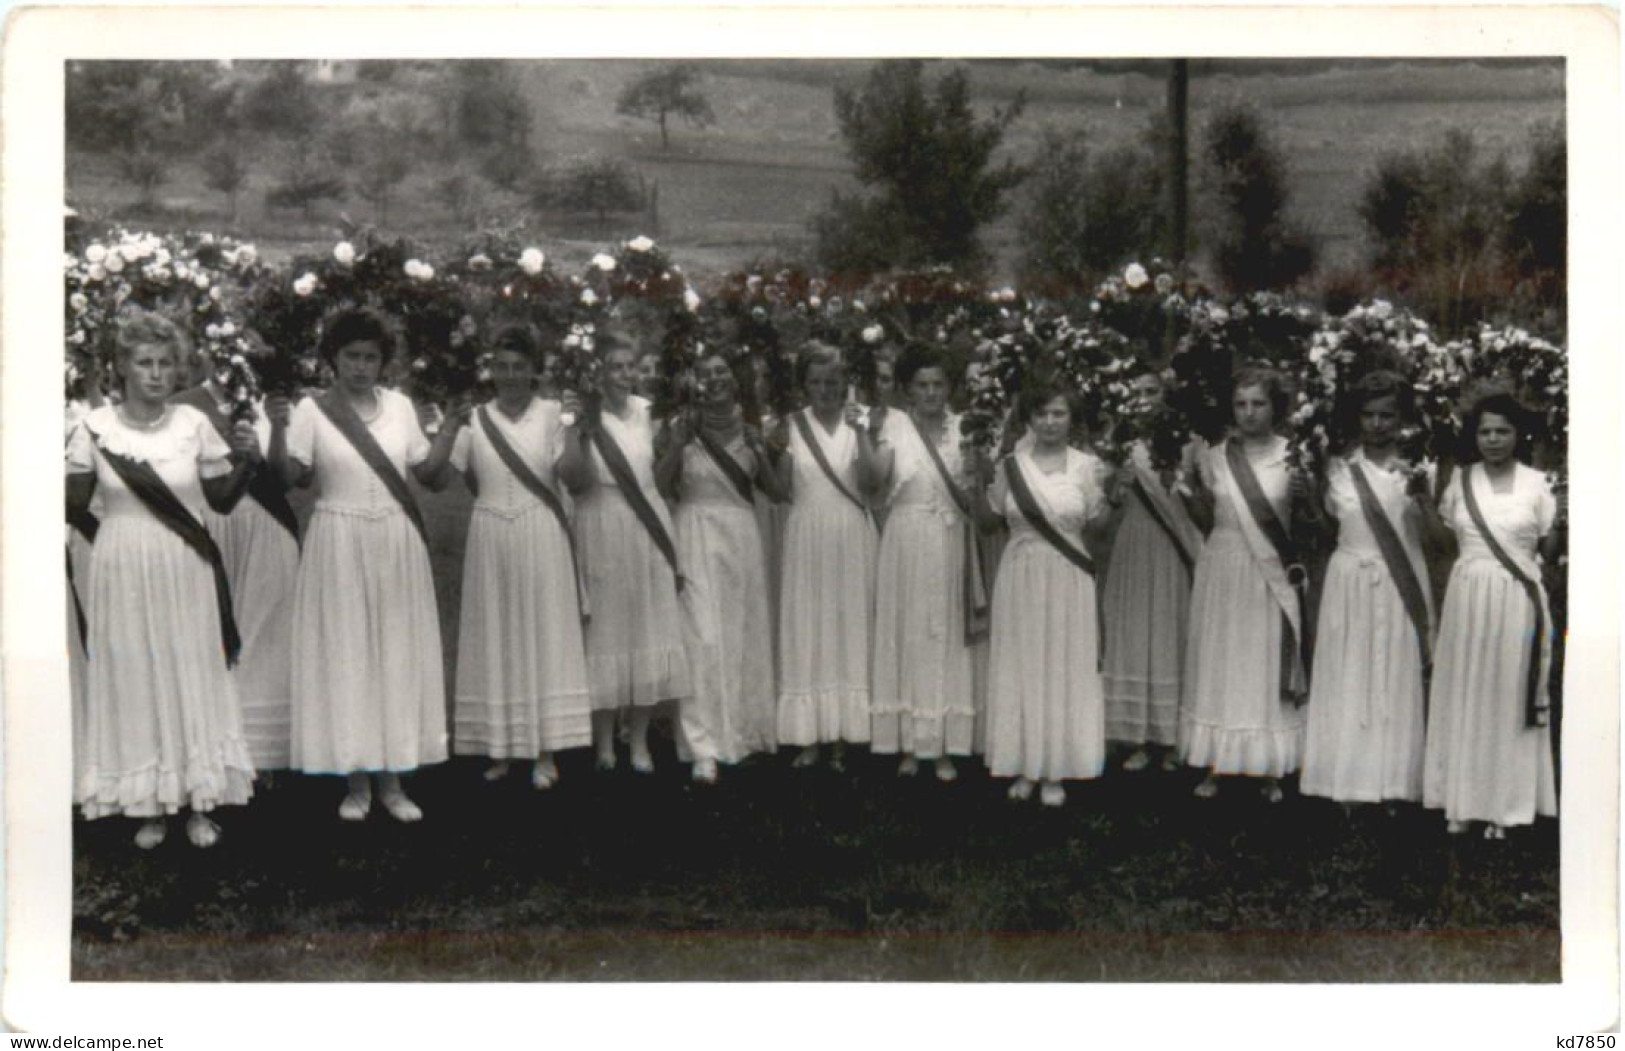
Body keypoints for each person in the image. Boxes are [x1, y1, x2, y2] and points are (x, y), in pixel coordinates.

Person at [66, 309, 262, 848]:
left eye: (165, 364)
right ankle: (149, 802)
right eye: (143, 363)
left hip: (185, 563)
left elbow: (220, 501)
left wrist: (248, 459)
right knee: (135, 673)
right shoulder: (93, 427)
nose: (155, 373)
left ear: (178, 371)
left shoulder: (193, 426)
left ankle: (199, 802)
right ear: (122, 369)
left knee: (187, 667)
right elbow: (71, 503)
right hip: (122, 563)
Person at [267, 308, 463, 823]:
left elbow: (427, 471)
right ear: (333, 359)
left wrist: (453, 429)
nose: (361, 366)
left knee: (395, 652)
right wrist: (275, 428)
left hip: (396, 541)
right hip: (339, 540)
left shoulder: (400, 407)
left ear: (384, 362)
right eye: (351, 356)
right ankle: (356, 780)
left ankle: (394, 777)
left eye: (371, 357)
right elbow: (292, 478)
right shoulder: (312, 411)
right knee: (351, 652)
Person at [449, 326, 592, 789]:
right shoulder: (474, 418)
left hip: (540, 530)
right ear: (491, 369)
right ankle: (502, 746)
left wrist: (573, 429)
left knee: (541, 632)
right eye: (501, 367)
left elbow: (573, 477)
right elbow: (467, 478)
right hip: (490, 531)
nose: (510, 376)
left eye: (519, 367)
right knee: (496, 633)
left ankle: (545, 748)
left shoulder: (555, 414)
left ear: (535, 370)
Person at [1420, 391, 1561, 838]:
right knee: (1466, 690)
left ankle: (1505, 805)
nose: (1494, 439)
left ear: (1518, 435)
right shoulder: (1460, 482)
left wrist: (1562, 527)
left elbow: (1550, 553)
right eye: (1485, 431)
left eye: (1503, 431)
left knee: (1506, 691)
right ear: (1474, 436)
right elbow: (1443, 546)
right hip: (1467, 595)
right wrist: (1420, 503)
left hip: (1516, 597)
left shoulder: (1538, 485)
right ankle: (1462, 801)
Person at [557, 332, 698, 774]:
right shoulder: (584, 415)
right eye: (614, 367)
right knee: (606, 630)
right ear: (596, 372)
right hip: (599, 521)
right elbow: (575, 481)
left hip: (646, 524)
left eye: (628, 366)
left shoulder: (646, 413)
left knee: (646, 626)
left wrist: (675, 446)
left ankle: (637, 740)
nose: (623, 375)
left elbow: (655, 478)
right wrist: (575, 432)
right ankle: (603, 742)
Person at [1301, 372, 1435, 807]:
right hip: (1348, 580)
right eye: (1369, 415)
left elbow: (1436, 541)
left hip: (1398, 579)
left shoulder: (1418, 468)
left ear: (1401, 418)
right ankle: (1345, 779)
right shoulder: (1338, 469)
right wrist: (1307, 499)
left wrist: (1422, 496)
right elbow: (1327, 530)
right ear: (1357, 418)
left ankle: (1394, 781)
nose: (1378, 424)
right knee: (1350, 669)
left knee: (1393, 672)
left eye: (1387, 415)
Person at [974, 386, 1112, 806]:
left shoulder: (1089, 468)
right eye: (1042, 414)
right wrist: (976, 480)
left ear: (1072, 418)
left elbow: (1100, 530)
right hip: (1020, 576)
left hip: (1069, 577)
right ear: (1028, 420)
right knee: (1024, 665)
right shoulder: (1008, 466)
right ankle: (1023, 762)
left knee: (1063, 664)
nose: (1050, 423)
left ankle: (1057, 768)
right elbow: (987, 524)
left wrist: (1116, 494)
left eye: (1059, 413)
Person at [1178, 367, 1309, 802]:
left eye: (1259, 404)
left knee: (1262, 660)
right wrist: (1185, 490)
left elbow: (1306, 525)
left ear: (1276, 408)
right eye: (1241, 404)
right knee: (1222, 659)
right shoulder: (1214, 456)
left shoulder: (1294, 456)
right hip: (1223, 567)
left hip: (1267, 572)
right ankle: (1217, 759)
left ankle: (1267, 766)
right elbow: (1206, 519)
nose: (1249, 413)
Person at [655, 350, 787, 776]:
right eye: (705, 373)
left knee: (741, 631)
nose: (714, 380)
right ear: (694, 381)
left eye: (721, 371)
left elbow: (775, 490)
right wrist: (676, 446)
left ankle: (744, 732)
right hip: (694, 530)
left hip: (741, 536)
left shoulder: (753, 429)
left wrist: (761, 452)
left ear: (733, 379)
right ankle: (703, 745)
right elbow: (660, 485)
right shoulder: (680, 428)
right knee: (702, 638)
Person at [172, 344, 300, 776]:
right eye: (221, 359)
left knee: (268, 628)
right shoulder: (182, 407)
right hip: (216, 524)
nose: (229, 369)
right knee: (219, 632)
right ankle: (221, 744)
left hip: (267, 526)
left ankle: (267, 750)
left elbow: (284, 482)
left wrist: (277, 430)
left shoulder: (268, 408)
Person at [869, 344, 986, 782]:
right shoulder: (894, 429)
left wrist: (980, 469)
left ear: (948, 388)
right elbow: (874, 482)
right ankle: (909, 741)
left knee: (946, 635)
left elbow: (979, 496)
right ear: (906, 390)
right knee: (910, 633)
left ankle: (944, 744)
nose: (931, 393)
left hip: (950, 539)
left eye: (938, 384)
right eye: (922, 385)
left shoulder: (966, 430)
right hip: (906, 542)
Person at [769, 342, 882, 770]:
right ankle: (809, 735)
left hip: (851, 534)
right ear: (804, 385)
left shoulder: (863, 421)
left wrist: (864, 432)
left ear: (845, 381)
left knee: (849, 624)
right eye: (815, 381)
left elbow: (873, 484)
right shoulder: (790, 425)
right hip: (807, 536)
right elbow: (780, 491)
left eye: (832, 381)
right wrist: (775, 451)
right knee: (809, 626)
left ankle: (845, 735)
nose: (824, 389)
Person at [1100, 370, 1202, 772]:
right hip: (1134, 544)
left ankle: (1174, 735)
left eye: (1152, 391)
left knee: (1171, 631)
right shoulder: (1120, 444)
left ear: (1167, 394)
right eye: (1136, 392)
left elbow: (1200, 502)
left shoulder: (1190, 444)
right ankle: (1136, 733)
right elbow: (1106, 501)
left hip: (1175, 544)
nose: (1144, 399)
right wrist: (1115, 484)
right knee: (1134, 631)